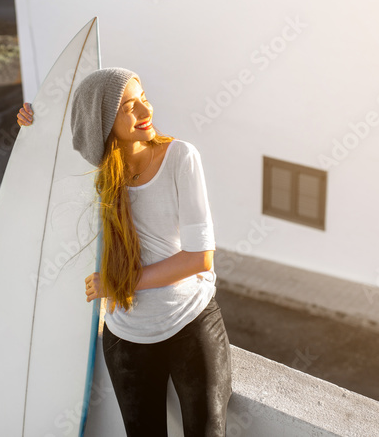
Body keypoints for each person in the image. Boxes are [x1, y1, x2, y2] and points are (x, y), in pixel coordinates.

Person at [16, 67, 233, 436]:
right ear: (103, 122)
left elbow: (200, 258)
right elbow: (48, 167)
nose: (146, 113)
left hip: (190, 321)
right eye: (128, 108)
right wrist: (32, 125)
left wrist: (120, 284)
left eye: (144, 99)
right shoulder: (100, 176)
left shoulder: (180, 157)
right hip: (126, 335)